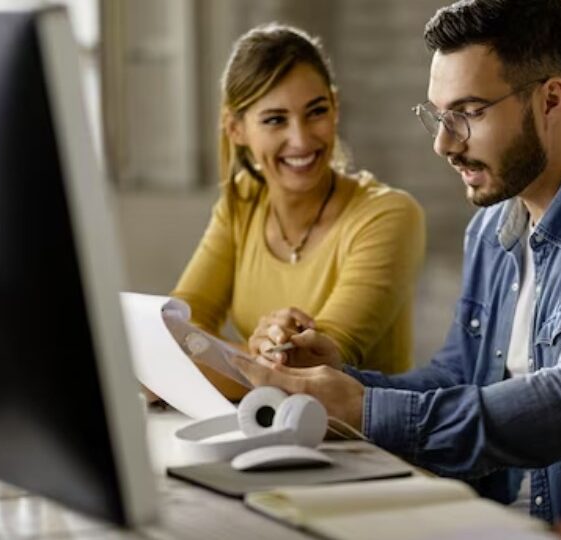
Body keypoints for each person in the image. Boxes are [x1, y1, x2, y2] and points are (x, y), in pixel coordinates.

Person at [230, 0, 561, 526]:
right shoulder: (493, 227)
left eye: (467, 113)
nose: (444, 143)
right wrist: (337, 381)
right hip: (490, 520)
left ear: (551, 100)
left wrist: (365, 410)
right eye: (438, 116)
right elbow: (460, 377)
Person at [172, 24, 425, 401]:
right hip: (268, 430)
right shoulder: (241, 203)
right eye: (275, 119)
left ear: (335, 107)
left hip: (366, 448)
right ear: (236, 129)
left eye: (316, 112)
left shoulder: (389, 215)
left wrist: (192, 362)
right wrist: (254, 359)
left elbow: (312, 369)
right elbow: (178, 326)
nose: (302, 139)